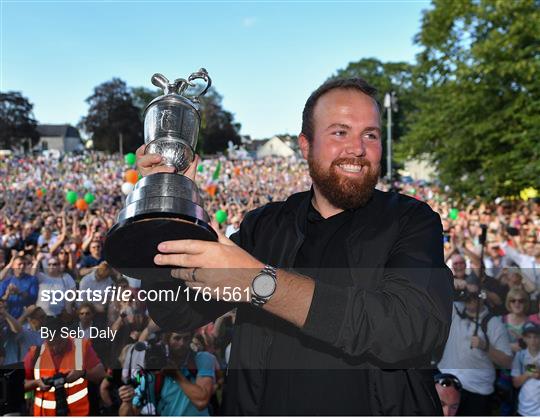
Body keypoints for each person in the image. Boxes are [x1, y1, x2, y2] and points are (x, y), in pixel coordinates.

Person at [138, 78, 454, 414]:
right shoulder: (263, 227)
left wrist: (256, 282)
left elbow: (410, 331)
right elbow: (174, 310)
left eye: (371, 135)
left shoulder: (411, 221)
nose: (358, 148)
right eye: (340, 132)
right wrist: (170, 203)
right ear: (305, 145)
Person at [438, 291, 513, 415]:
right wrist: (456, 284)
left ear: (483, 297)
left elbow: (507, 362)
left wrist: (485, 347)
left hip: (476, 389)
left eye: (475, 296)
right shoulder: (455, 309)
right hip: (446, 382)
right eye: (467, 295)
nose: (470, 299)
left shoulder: (495, 324)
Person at [118, 331, 216, 416]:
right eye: (177, 338)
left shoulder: (202, 359)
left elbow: (201, 401)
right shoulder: (155, 371)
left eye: (186, 338)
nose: (182, 343)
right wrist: (127, 401)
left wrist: (176, 374)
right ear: (167, 340)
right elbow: (131, 413)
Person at [23, 317, 106, 416]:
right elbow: (20, 384)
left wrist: (82, 373)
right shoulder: (35, 353)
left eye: (59, 342)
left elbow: (101, 373)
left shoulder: (81, 346)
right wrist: (36, 383)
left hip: (78, 413)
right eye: (51, 344)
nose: (55, 348)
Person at [511, 321, 540, 417]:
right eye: (529, 337)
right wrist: (529, 373)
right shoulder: (520, 355)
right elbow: (515, 383)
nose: (533, 340)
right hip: (524, 409)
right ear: (524, 339)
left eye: (536, 337)